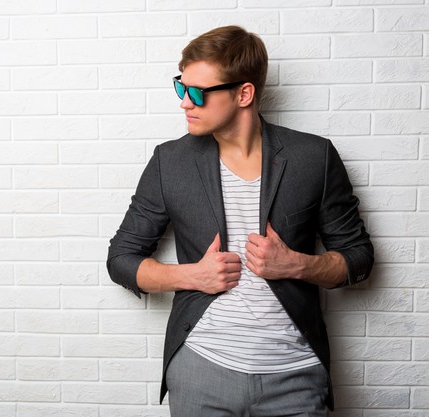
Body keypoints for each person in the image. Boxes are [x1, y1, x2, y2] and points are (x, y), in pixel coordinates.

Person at [106, 25, 374, 417]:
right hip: (200, 368)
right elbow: (121, 258)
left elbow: (359, 257)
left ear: (243, 93)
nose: (185, 102)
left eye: (198, 92)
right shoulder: (170, 162)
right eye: (181, 87)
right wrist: (191, 276)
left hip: (296, 375)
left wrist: (299, 265)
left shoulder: (314, 157)